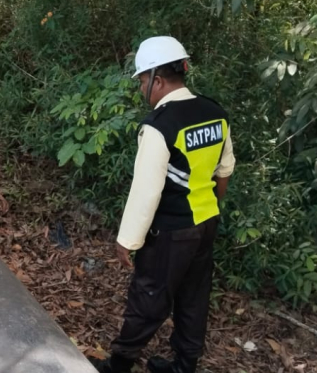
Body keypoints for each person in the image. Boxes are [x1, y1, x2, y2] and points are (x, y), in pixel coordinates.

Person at [93, 36, 235, 373]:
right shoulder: (214, 112)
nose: (142, 87)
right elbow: (225, 169)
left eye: (142, 80)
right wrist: (209, 204)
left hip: (172, 230)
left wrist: (127, 241)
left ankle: (120, 364)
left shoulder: (159, 126)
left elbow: (146, 192)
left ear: (157, 80)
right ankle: (184, 366)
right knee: (193, 297)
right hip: (206, 223)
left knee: (149, 296)